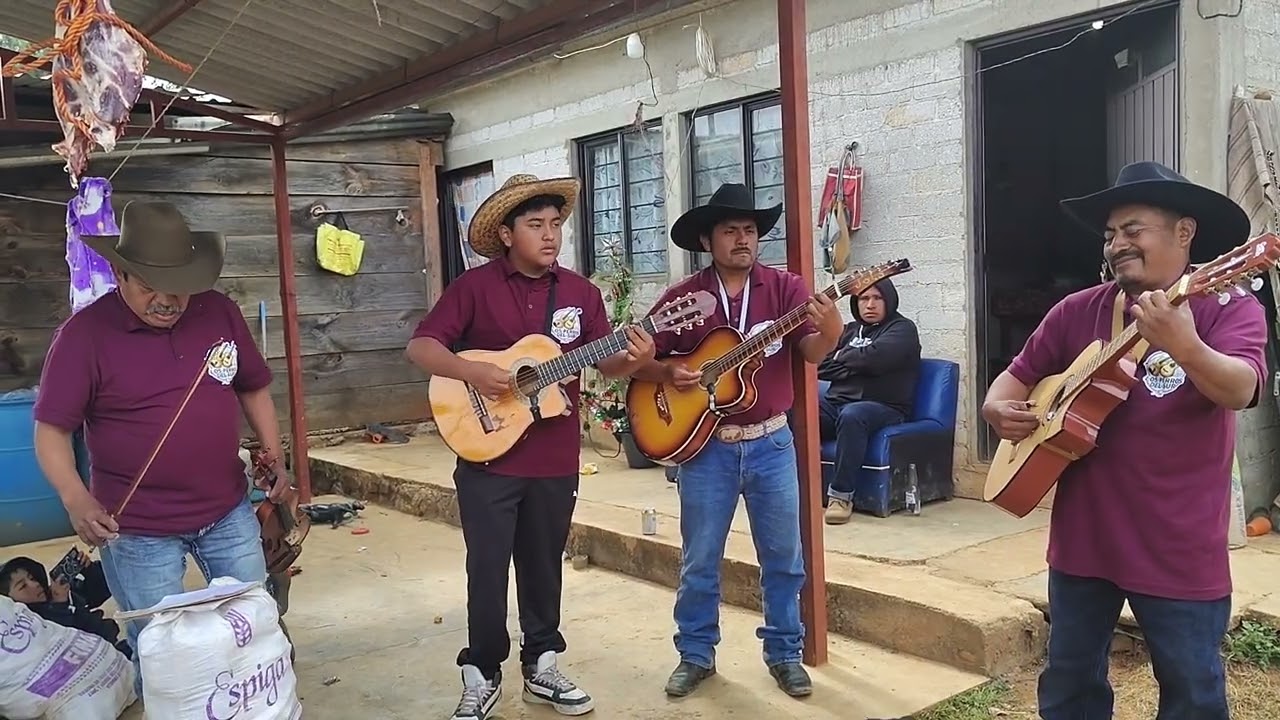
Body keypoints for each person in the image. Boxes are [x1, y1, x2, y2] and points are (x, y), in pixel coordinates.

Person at [981, 161, 1266, 720]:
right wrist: (995, 408)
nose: (1117, 245)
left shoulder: (1229, 306)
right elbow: (1014, 376)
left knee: (1192, 694)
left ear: (1184, 233)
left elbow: (1242, 388)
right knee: (1068, 688)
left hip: (1178, 547)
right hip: (1083, 542)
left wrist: (1186, 345)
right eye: (1111, 235)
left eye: (1134, 230)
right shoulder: (1075, 310)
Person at [406, 174, 655, 720]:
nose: (550, 236)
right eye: (536, 225)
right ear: (505, 233)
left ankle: (542, 663)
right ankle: (483, 669)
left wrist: (635, 355)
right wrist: (473, 370)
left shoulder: (581, 294)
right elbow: (423, 346)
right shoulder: (474, 288)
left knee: (544, 565)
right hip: (487, 458)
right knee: (488, 567)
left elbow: (605, 360)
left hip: (553, 459)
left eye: (556, 225)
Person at [31, 201, 292, 695]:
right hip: (137, 530)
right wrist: (76, 498)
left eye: (178, 285)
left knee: (254, 628)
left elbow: (253, 386)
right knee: (160, 649)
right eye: (150, 286)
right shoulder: (83, 337)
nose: (167, 300)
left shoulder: (219, 311)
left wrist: (274, 455)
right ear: (120, 273)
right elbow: (51, 431)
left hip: (227, 510)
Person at [631, 183, 843, 699]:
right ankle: (696, 654)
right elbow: (638, 357)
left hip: (772, 443)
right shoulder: (683, 297)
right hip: (706, 448)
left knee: (784, 559)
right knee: (700, 558)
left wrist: (832, 323)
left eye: (750, 230)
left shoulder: (787, 289)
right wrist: (670, 371)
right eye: (731, 231)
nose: (743, 239)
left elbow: (813, 352)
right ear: (708, 240)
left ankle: (785, 654)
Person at [817, 279, 921, 524]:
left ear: (889, 300)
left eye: (877, 298)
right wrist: (857, 363)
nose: (870, 304)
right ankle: (796, 485)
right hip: (836, 405)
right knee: (795, 411)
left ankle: (840, 497)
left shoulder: (902, 328)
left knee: (854, 415)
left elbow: (877, 358)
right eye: (864, 299)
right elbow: (820, 365)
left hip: (885, 406)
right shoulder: (849, 330)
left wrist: (843, 358)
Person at [0, 552, 133, 658]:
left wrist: (89, 569)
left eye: (32, 578)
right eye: (23, 586)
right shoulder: (23, 628)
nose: (34, 584)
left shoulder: (55, 591)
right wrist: (60, 604)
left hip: (108, 647)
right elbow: (59, 646)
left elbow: (98, 592)